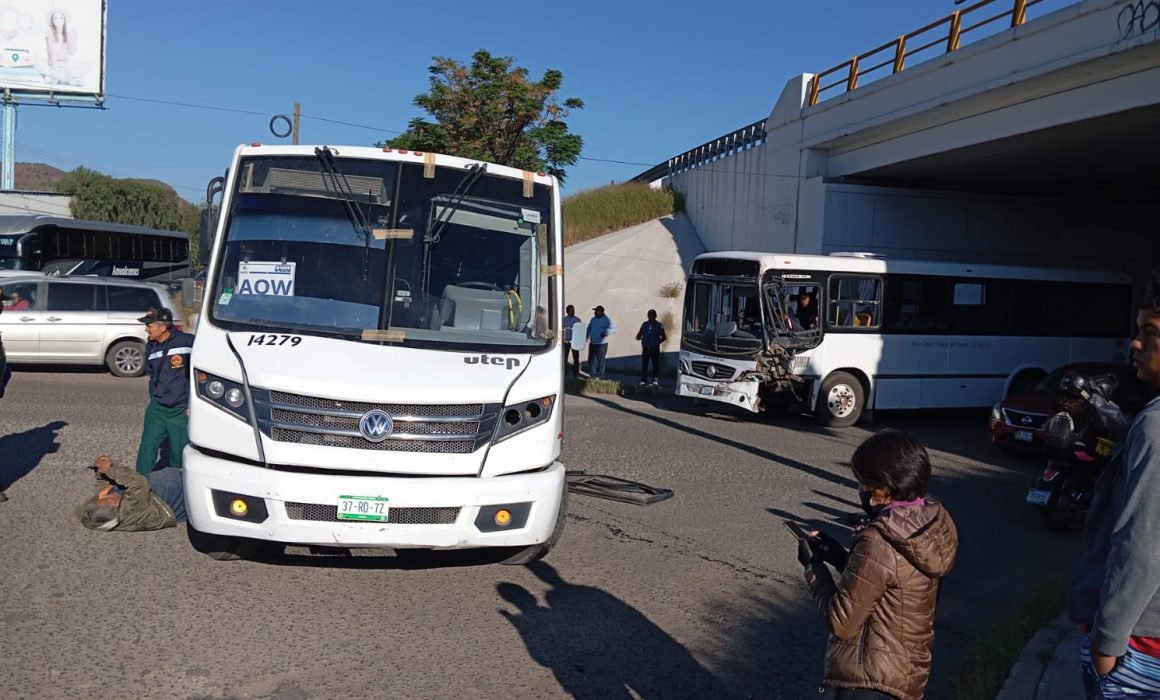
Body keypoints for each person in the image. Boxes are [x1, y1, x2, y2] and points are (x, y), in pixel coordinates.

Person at [799, 429, 958, 700]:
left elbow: (842, 623)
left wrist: (814, 566)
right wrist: (839, 557)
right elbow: (890, 581)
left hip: (867, 681)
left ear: (883, 488)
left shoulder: (879, 540)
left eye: (863, 483)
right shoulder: (930, 523)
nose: (860, 490)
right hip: (903, 675)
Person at [1069, 272, 1160, 698]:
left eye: (1150, 331)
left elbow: (1139, 546)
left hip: (1138, 647)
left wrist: (1107, 643)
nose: (1136, 343)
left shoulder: (1156, 426)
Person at [135, 308, 195, 476]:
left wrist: (192, 403)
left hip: (180, 410)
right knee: (147, 447)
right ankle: (139, 483)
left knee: (178, 452)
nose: (146, 329)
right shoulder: (151, 346)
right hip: (158, 408)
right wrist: (155, 395)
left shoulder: (188, 342)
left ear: (162, 328)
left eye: (149, 325)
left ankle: (176, 486)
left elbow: (200, 373)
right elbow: (151, 372)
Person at [78, 455, 185, 531]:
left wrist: (99, 470)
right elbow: (137, 484)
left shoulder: (106, 508)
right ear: (116, 508)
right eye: (107, 499)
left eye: (101, 499)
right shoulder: (129, 510)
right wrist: (109, 468)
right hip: (180, 494)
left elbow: (104, 488)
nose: (104, 497)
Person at [636, 309, 667, 387]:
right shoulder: (644, 324)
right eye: (649, 315)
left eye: (652, 315)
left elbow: (664, 337)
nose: (650, 317)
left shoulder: (659, 325)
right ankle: (643, 380)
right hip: (646, 348)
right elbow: (639, 334)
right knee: (645, 365)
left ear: (655, 316)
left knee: (655, 364)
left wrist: (657, 343)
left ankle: (655, 380)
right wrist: (639, 337)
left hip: (654, 348)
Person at [586, 305, 614, 379]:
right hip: (592, 343)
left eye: (596, 311)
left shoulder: (607, 320)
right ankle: (592, 375)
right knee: (592, 360)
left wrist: (606, 332)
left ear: (601, 312)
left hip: (602, 344)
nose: (594, 312)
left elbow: (613, 329)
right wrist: (586, 334)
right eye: (595, 311)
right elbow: (589, 327)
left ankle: (600, 376)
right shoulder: (593, 319)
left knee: (600, 360)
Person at [562, 305, 582, 377]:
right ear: (567, 311)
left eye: (573, 310)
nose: (572, 312)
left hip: (575, 342)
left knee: (576, 358)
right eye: (570, 310)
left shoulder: (577, 320)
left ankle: (576, 373)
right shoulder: (563, 320)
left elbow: (580, 331)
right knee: (564, 358)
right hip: (566, 342)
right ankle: (564, 372)